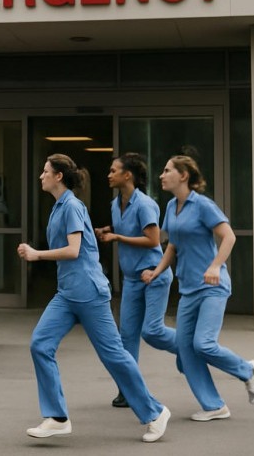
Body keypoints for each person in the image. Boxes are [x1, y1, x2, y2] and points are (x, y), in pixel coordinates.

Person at [18, 154, 170, 443]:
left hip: (89, 293)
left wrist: (37, 254)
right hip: (67, 294)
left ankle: (155, 412)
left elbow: (74, 250)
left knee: (113, 356)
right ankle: (57, 417)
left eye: (45, 171)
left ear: (58, 176)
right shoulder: (58, 207)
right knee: (40, 344)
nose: (41, 176)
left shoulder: (72, 206)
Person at [141, 155, 254, 422]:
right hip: (188, 289)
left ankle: (247, 370)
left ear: (184, 175)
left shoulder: (203, 205)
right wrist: (157, 270)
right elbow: (173, 244)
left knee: (203, 344)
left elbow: (228, 236)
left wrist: (216, 266)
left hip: (212, 287)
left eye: (167, 170)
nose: (162, 175)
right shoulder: (172, 206)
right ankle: (214, 405)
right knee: (186, 349)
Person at [94, 153, 178, 409]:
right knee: (126, 337)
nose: (109, 174)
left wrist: (118, 238)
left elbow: (153, 240)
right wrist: (108, 231)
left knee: (152, 331)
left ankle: (190, 345)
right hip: (132, 279)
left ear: (127, 175)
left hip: (154, 275)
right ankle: (127, 390)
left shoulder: (144, 204)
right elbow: (126, 229)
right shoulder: (115, 203)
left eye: (113, 170)